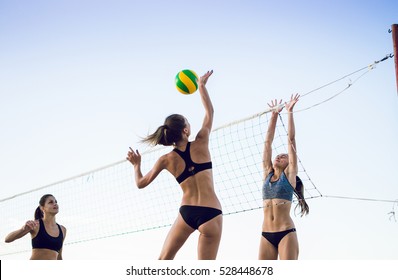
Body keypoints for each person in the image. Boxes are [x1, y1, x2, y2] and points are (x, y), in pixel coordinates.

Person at [126, 70, 222, 260]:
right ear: (186, 130)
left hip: (188, 211)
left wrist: (136, 165)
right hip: (211, 212)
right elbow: (209, 112)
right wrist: (201, 86)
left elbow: (140, 183)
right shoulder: (201, 141)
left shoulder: (166, 159)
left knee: (163, 261)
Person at [259, 94, 309, 260]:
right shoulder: (267, 173)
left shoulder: (289, 176)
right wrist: (273, 116)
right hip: (266, 234)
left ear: (289, 164)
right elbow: (267, 143)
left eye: (283, 156)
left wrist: (289, 112)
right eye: (277, 155)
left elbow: (291, 140)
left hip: (286, 233)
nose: (279, 157)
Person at [4, 194, 66, 260]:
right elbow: (7, 239)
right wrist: (23, 229)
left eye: (55, 202)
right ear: (42, 208)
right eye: (50, 202)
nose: (55, 204)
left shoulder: (63, 230)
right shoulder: (36, 225)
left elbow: (59, 256)